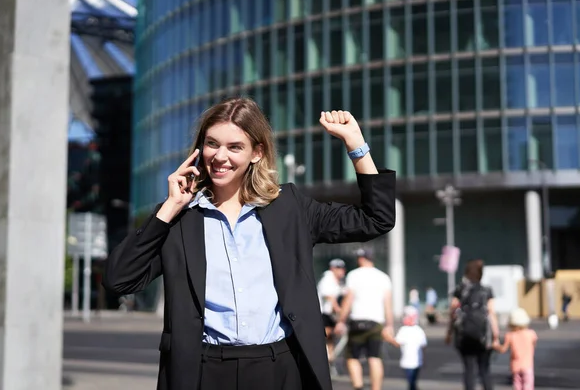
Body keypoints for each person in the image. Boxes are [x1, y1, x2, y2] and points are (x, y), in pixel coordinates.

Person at [103, 97, 396, 390]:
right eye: (212, 143)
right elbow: (118, 280)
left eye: (235, 147)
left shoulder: (290, 207)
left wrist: (356, 143)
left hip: (280, 368)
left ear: (257, 152)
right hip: (203, 372)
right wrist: (168, 208)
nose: (219, 157)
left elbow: (376, 218)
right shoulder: (180, 218)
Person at [335, 247, 394, 390]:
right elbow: (388, 303)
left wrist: (341, 321)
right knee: (374, 357)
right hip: (376, 323)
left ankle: (358, 386)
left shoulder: (354, 275)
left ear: (361, 259)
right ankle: (376, 388)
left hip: (357, 321)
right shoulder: (383, 277)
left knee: (352, 357)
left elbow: (348, 300)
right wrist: (389, 325)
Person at [445, 259, 499, 390]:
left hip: (465, 335)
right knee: (484, 369)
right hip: (484, 335)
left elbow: (453, 313)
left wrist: (449, 333)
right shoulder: (486, 290)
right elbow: (491, 313)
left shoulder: (460, 290)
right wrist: (496, 336)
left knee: (469, 369)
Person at [494, 308, 537, 390]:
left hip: (515, 366)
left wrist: (496, 345)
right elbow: (534, 344)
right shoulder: (531, 334)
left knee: (517, 386)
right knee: (528, 386)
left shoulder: (510, 335)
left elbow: (503, 349)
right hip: (528, 365)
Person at [386, 306, 427, 390]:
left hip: (410, 361)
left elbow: (397, 343)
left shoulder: (404, 330)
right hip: (413, 361)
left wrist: (389, 338)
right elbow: (424, 346)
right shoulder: (418, 330)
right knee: (412, 381)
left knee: (411, 382)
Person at [317, 258, 347, 363]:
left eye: (342, 268)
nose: (341, 271)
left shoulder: (338, 281)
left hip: (330, 315)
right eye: (338, 268)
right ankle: (323, 357)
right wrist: (340, 311)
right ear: (332, 268)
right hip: (324, 313)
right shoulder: (327, 278)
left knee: (330, 337)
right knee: (325, 335)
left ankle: (329, 358)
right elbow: (329, 297)